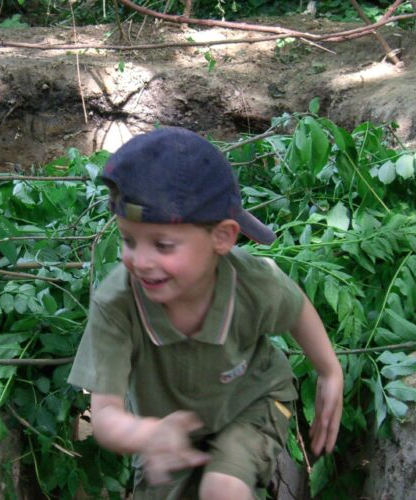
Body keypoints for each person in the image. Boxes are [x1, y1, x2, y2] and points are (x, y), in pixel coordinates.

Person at [67, 127, 344, 499]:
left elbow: (295, 307)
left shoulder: (252, 283)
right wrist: (148, 435)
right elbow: (104, 416)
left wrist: (329, 371)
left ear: (223, 238)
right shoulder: (117, 304)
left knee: (223, 488)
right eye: (128, 239)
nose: (140, 261)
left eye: (163, 245)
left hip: (252, 403)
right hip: (163, 429)